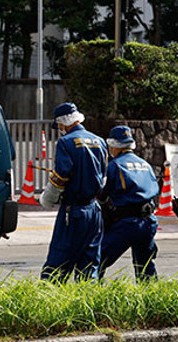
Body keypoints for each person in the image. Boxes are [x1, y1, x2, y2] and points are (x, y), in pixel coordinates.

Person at [38, 102, 108, 281]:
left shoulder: (66, 142)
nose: (59, 129)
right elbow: (104, 176)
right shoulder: (99, 141)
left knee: (58, 262)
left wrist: (47, 199)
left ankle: (49, 303)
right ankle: (86, 303)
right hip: (94, 211)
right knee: (89, 262)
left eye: (59, 125)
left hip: (74, 211)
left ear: (63, 122)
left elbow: (60, 178)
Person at [98, 126, 158, 281]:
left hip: (126, 223)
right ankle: (152, 301)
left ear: (114, 145)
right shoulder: (145, 164)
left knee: (97, 261)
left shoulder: (114, 166)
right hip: (148, 221)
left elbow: (101, 192)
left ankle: (92, 297)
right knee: (145, 267)